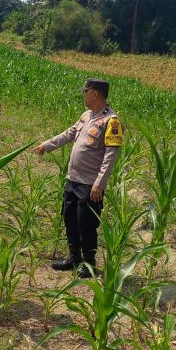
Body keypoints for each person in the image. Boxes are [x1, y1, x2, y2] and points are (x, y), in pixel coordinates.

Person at [33, 78, 124, 278]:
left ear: (95, 94)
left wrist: (99, 184)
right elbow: (69, 133)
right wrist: (47, 145)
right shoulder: (86, 116)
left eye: (86, 92)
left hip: (90, 184)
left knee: (87, 223)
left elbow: (111, 155)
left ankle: (89, 263)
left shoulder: (111, 121)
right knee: (70, 218)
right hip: (73, 180)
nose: (83, 95)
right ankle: (74, 257)